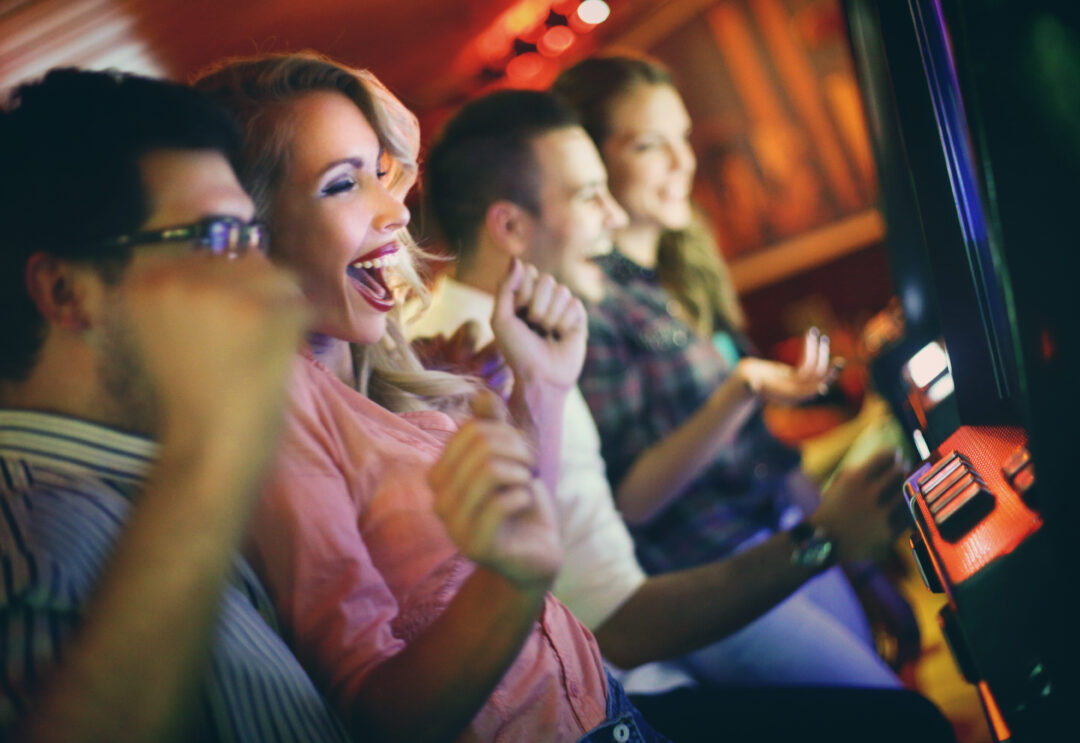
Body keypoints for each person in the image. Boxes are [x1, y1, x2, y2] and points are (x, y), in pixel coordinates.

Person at [195, 53, 669, 743]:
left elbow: (517, 539)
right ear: (253, 238)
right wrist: (511, 583)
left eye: (383, 175)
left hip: (613, 710)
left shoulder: (381, 368)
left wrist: (540, 385)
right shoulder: (275, 413)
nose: (395, 209)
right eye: (341, 184)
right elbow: (383, 713)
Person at [0, 69, 345, 742]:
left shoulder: (138, 493)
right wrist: (213, 451)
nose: (265, 281)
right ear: (67, 289)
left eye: (254, 240)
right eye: (218, 239)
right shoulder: (33, 540)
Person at [546, 55, 913, 687]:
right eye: (649, 145)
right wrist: (740, 390)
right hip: (708, 573)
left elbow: (765, 450)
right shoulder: (586, 301)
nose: (682, 162)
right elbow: (631, 498)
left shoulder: (683, 266)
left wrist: (857, 563)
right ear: (593, 162)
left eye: (682, 139)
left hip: (785, 529)